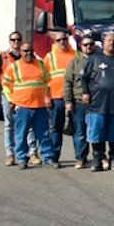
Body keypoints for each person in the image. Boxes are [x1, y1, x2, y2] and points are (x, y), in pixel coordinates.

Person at [82, 31, 114, 171]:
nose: (112, 43)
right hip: (98, 104)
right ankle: (97, 159)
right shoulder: (94, 59)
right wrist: (85, 93)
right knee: (97, 133)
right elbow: (84, 77)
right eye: (109, 41)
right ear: (103, 43)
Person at [4, 40, 53, 168]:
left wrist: (47, 97)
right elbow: (6, 86)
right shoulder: (14, 67)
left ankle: (48, 157)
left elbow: (47, 83)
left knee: (44, 134)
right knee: (21, 134)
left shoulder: (41, 65)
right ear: (20, 52)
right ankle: (21, 158)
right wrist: (11, 101)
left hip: (40, 106)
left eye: (31, 50)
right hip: (22, 107)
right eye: (25, 51)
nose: (29, 53)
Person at [62, 33, 96, 168]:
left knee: (96, 131)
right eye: (85, 45)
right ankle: (81, 158)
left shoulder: (99, 60)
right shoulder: (74, 62)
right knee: (80, 132)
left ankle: (100, 157)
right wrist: (68, 101)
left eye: (91, 44)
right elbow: (68, 82)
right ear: (81, 46)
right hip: (79, 102)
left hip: (96, 103)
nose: (88, 47)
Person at [43, 31, 76, 166]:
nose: (62, 42)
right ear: (54, 42)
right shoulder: (49, 57)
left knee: (77, 129)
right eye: (59, 40)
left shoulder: (75, 55)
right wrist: (46, 96)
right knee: (56, 129)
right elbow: (43, 80)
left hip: (73, 98)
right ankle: (53, 157)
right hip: (56, 99)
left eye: (64, 39)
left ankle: (81, 157)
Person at [0, 30, 25, 166]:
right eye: (13, 40)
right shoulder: (3, 56)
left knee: (27, 126)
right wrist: (2, 90)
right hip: (8, 96)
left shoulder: (27, 56)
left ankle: (30, 154)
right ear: (9, 42)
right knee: (9, 125)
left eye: (18, 40)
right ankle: (10, 154)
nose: (16, 43)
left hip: (24, 96)